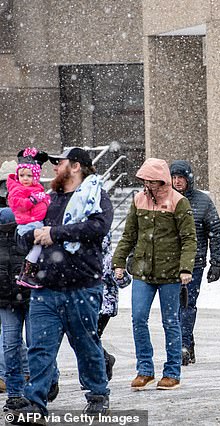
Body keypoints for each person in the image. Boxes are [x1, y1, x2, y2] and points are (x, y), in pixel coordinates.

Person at [15, 147, 113, 416]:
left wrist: (54, 234)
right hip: (46, 287)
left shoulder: (95, 197)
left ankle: (97, 395)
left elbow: (97, 228)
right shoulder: (49, 199)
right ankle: (35, 401)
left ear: (76, 166)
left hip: (82, 286)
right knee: (39, 347)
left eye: (60, 163)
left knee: (85, 344)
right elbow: (28, 229)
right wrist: (30, 235)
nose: (55, 168)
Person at [112, 158, 196, 391]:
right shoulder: (138, 200)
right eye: (146, 181)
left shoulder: (179, 202)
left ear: (162, 180)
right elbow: (129, 234)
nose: (149, 186)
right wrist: (119, 261)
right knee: (138, 319)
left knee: (171, 322)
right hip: (142, 272)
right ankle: (145, 370)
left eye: (153, 182)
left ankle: (172, 372)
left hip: (170, 274)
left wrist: (185, 268)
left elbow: (189, 238)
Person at [170, 160, 220, 366]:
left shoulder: (203, 201)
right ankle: (185, 344)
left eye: (180, 177)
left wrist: (216, 262)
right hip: (170, 262)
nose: (177, 181)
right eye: (174, 177)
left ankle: (183, 344)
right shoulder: (167, 199)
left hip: (195, 262)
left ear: (188, 179)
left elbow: (215, 231)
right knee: (174, 306)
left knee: (187, 304)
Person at [0, 207, 31, 411]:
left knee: (35, 344)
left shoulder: (26, 236)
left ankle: (38, 388)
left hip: (29, 298)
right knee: (10, 344)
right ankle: (15, 393)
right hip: (5, 301)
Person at [6, 148, 50, 288]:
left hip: (37, 222)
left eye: (29, 176)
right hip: (28, 224)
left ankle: (29, 274)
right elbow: (18, 205)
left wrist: (45, 200)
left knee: (41, 249)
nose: (25, 179)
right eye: (22, 175)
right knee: (37, 248)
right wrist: (33, 200)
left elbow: (43, 201)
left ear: (35, 177)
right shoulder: (17, 189)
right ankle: (27, 274)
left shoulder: (37, 188)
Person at [98, 233, 131, 381]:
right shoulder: (80, 257)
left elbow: (124, 282)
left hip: (104, 306)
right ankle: (104, 361)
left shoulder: (109, 258)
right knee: (88, 339)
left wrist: (120, 275)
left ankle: (97, 372)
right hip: (86, 303)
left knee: (91, 338)